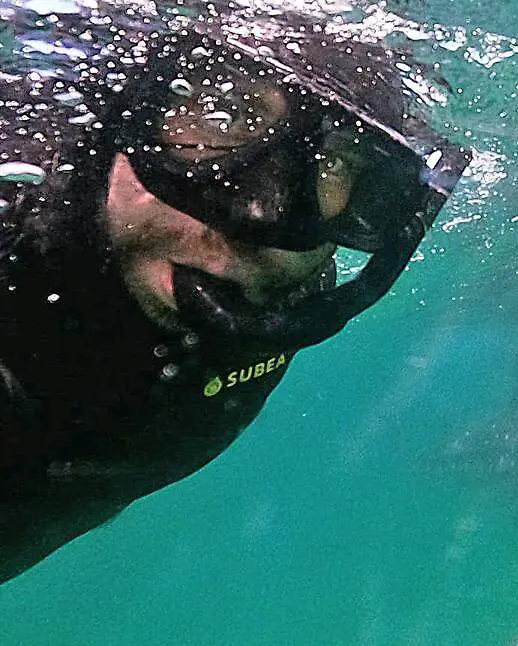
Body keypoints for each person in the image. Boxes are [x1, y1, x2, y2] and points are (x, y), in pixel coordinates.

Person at [0, 4, 469, 583]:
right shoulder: (15, 206)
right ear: (122, 121)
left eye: (335, 163)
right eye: (220, 116)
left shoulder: (294, 290)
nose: (258, 215)